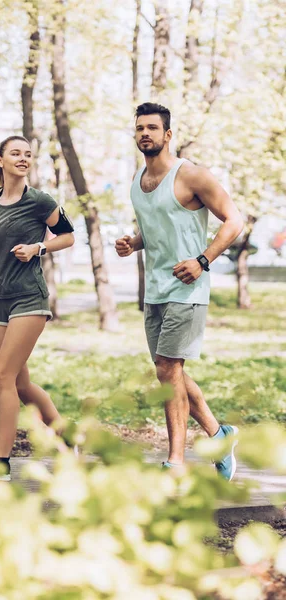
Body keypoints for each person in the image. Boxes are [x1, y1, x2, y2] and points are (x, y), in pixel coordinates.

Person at [115, 103, 244, 480]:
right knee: (166, 370)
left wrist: (202, 261)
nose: (145, 134)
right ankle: (219, 435)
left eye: (152, 128)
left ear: (167, 135)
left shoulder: (192, 176)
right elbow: (158, 229)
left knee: (168, 367)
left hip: (188, 288)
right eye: (139, 128)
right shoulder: (138, 181)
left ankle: (175, 462)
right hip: (155, 288)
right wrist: (133, 243)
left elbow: (234, 221)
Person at [0, 135, 75, 481]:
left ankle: (1, 461)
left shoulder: (40, 201)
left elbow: (69, 235)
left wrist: (37, 248)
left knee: (2, 376)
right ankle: (66, 434)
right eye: (16, 153)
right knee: (21, 383)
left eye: (28, 154)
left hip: (29, 298)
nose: (23, 158)